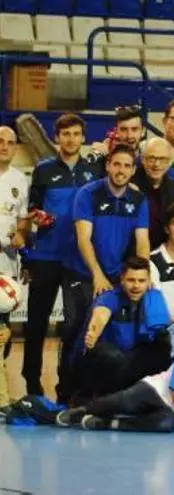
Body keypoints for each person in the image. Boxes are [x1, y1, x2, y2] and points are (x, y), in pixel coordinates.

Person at [59, 144, 150, 403]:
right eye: (116, 164)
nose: (121, 170)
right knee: (75, 330)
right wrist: (97, 274)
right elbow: (83, 238)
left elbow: (142, 241)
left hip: (116, 276)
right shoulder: (88, 194)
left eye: (127, 166)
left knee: (107, 335)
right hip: (82, 274)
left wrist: (143, 276)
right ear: (108, 165)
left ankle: (97, 394)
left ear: (133, 170)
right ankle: (66, 394)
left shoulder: (138, 200)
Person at [23, 113, 104, 395]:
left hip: (79, 260)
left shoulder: (94, 170)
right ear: (56, 137)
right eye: (65, 134)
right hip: (45, 257)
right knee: (36, 323)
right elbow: (32, 208)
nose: (71, 139)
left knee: (73, 327)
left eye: (76, 134)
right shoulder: (43, 170)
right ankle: (32, 384)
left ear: (83, 137)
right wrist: (38, 216)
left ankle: (66, 387)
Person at [68, 257, 173, 401]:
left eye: (141, 281)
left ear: (149, 281)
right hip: (96, 361)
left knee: (162, 352)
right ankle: (88, 397)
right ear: (122, 279)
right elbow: (100, 314)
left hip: (127, 360)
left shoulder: (152, 299)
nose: (136, 286)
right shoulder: (110, 297)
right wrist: (93, 333)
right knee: (114, 357)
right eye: (131, 280)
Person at [0, 125, 28, 414]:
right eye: (0, 141)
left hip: (5, 265)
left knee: (3, 333)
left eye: (10, 142)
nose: (4, 146)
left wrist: (20, 235)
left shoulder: (20, 180)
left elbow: (22, 223)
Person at [131, 137, 174, 249]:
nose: (157, 164)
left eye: (163, 159)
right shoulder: (129, 186)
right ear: (142, 159)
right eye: (151, 158)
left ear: (170, 162)